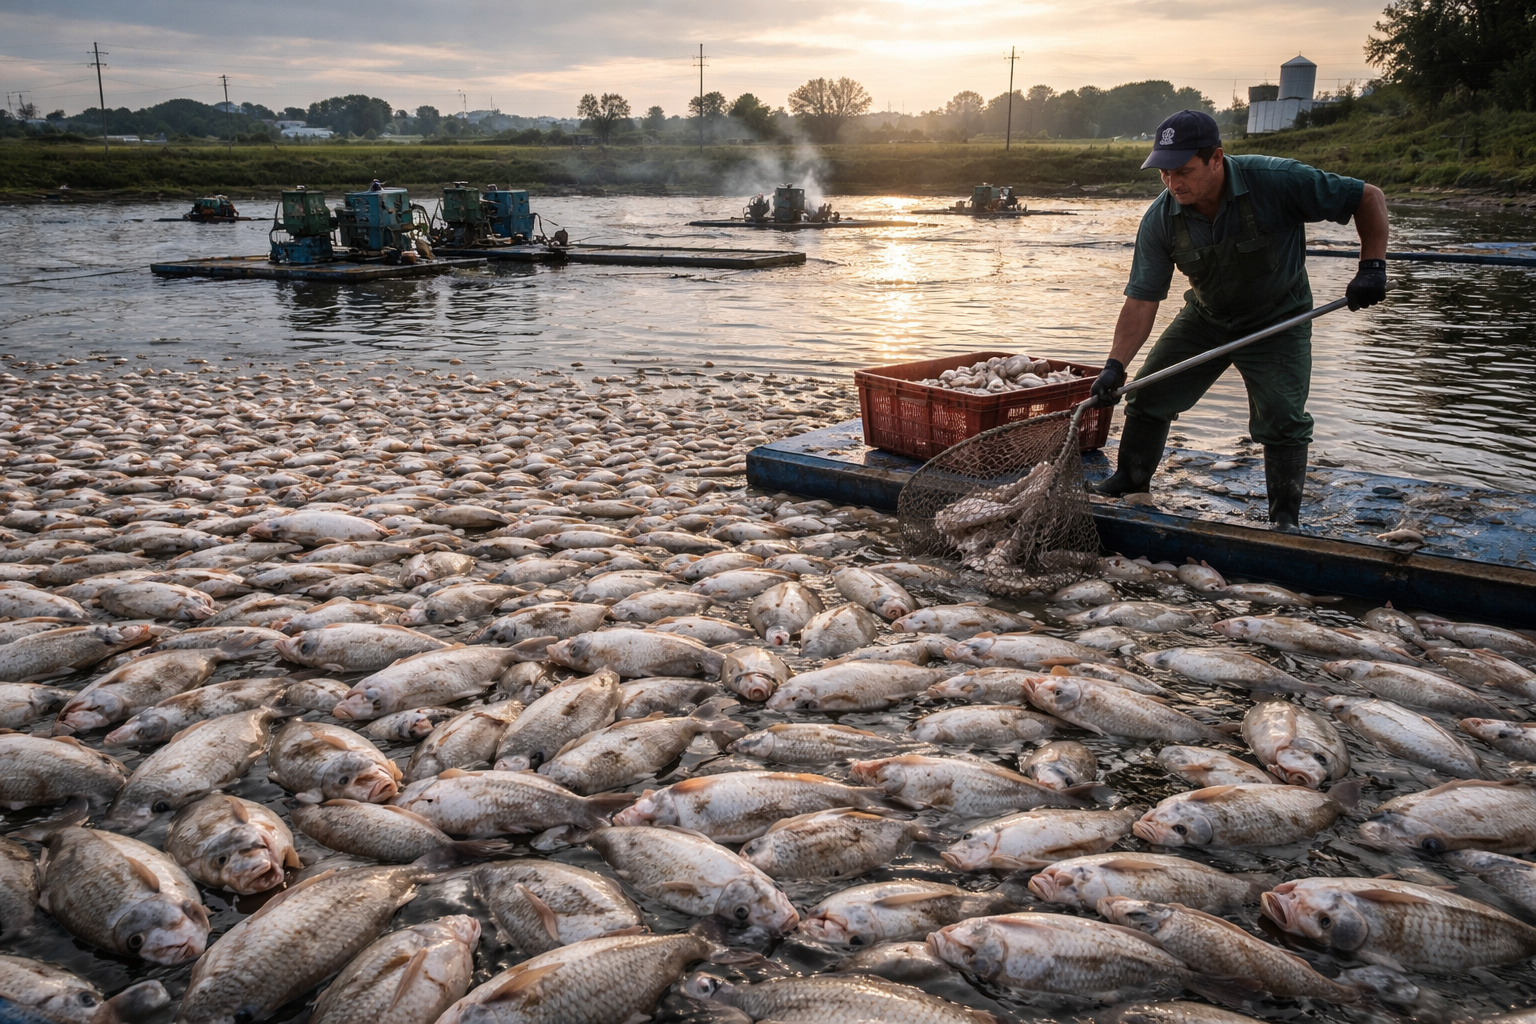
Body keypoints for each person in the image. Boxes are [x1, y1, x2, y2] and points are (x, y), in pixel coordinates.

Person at [1087, 109, 1389, 531]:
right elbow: (1141, 300)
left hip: (1278, 317)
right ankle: (1129, 480)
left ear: (1216, 159)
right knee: (1148, 394)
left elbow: (1367, 197)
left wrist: (1372, 266)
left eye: (1184, 171)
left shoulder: (1276, 180)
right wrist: (1114, 366)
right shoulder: (1160, 219)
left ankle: (1284, 517)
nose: (1174, 184)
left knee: (1283, 418)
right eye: (1164, 173)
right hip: (1207, 317)